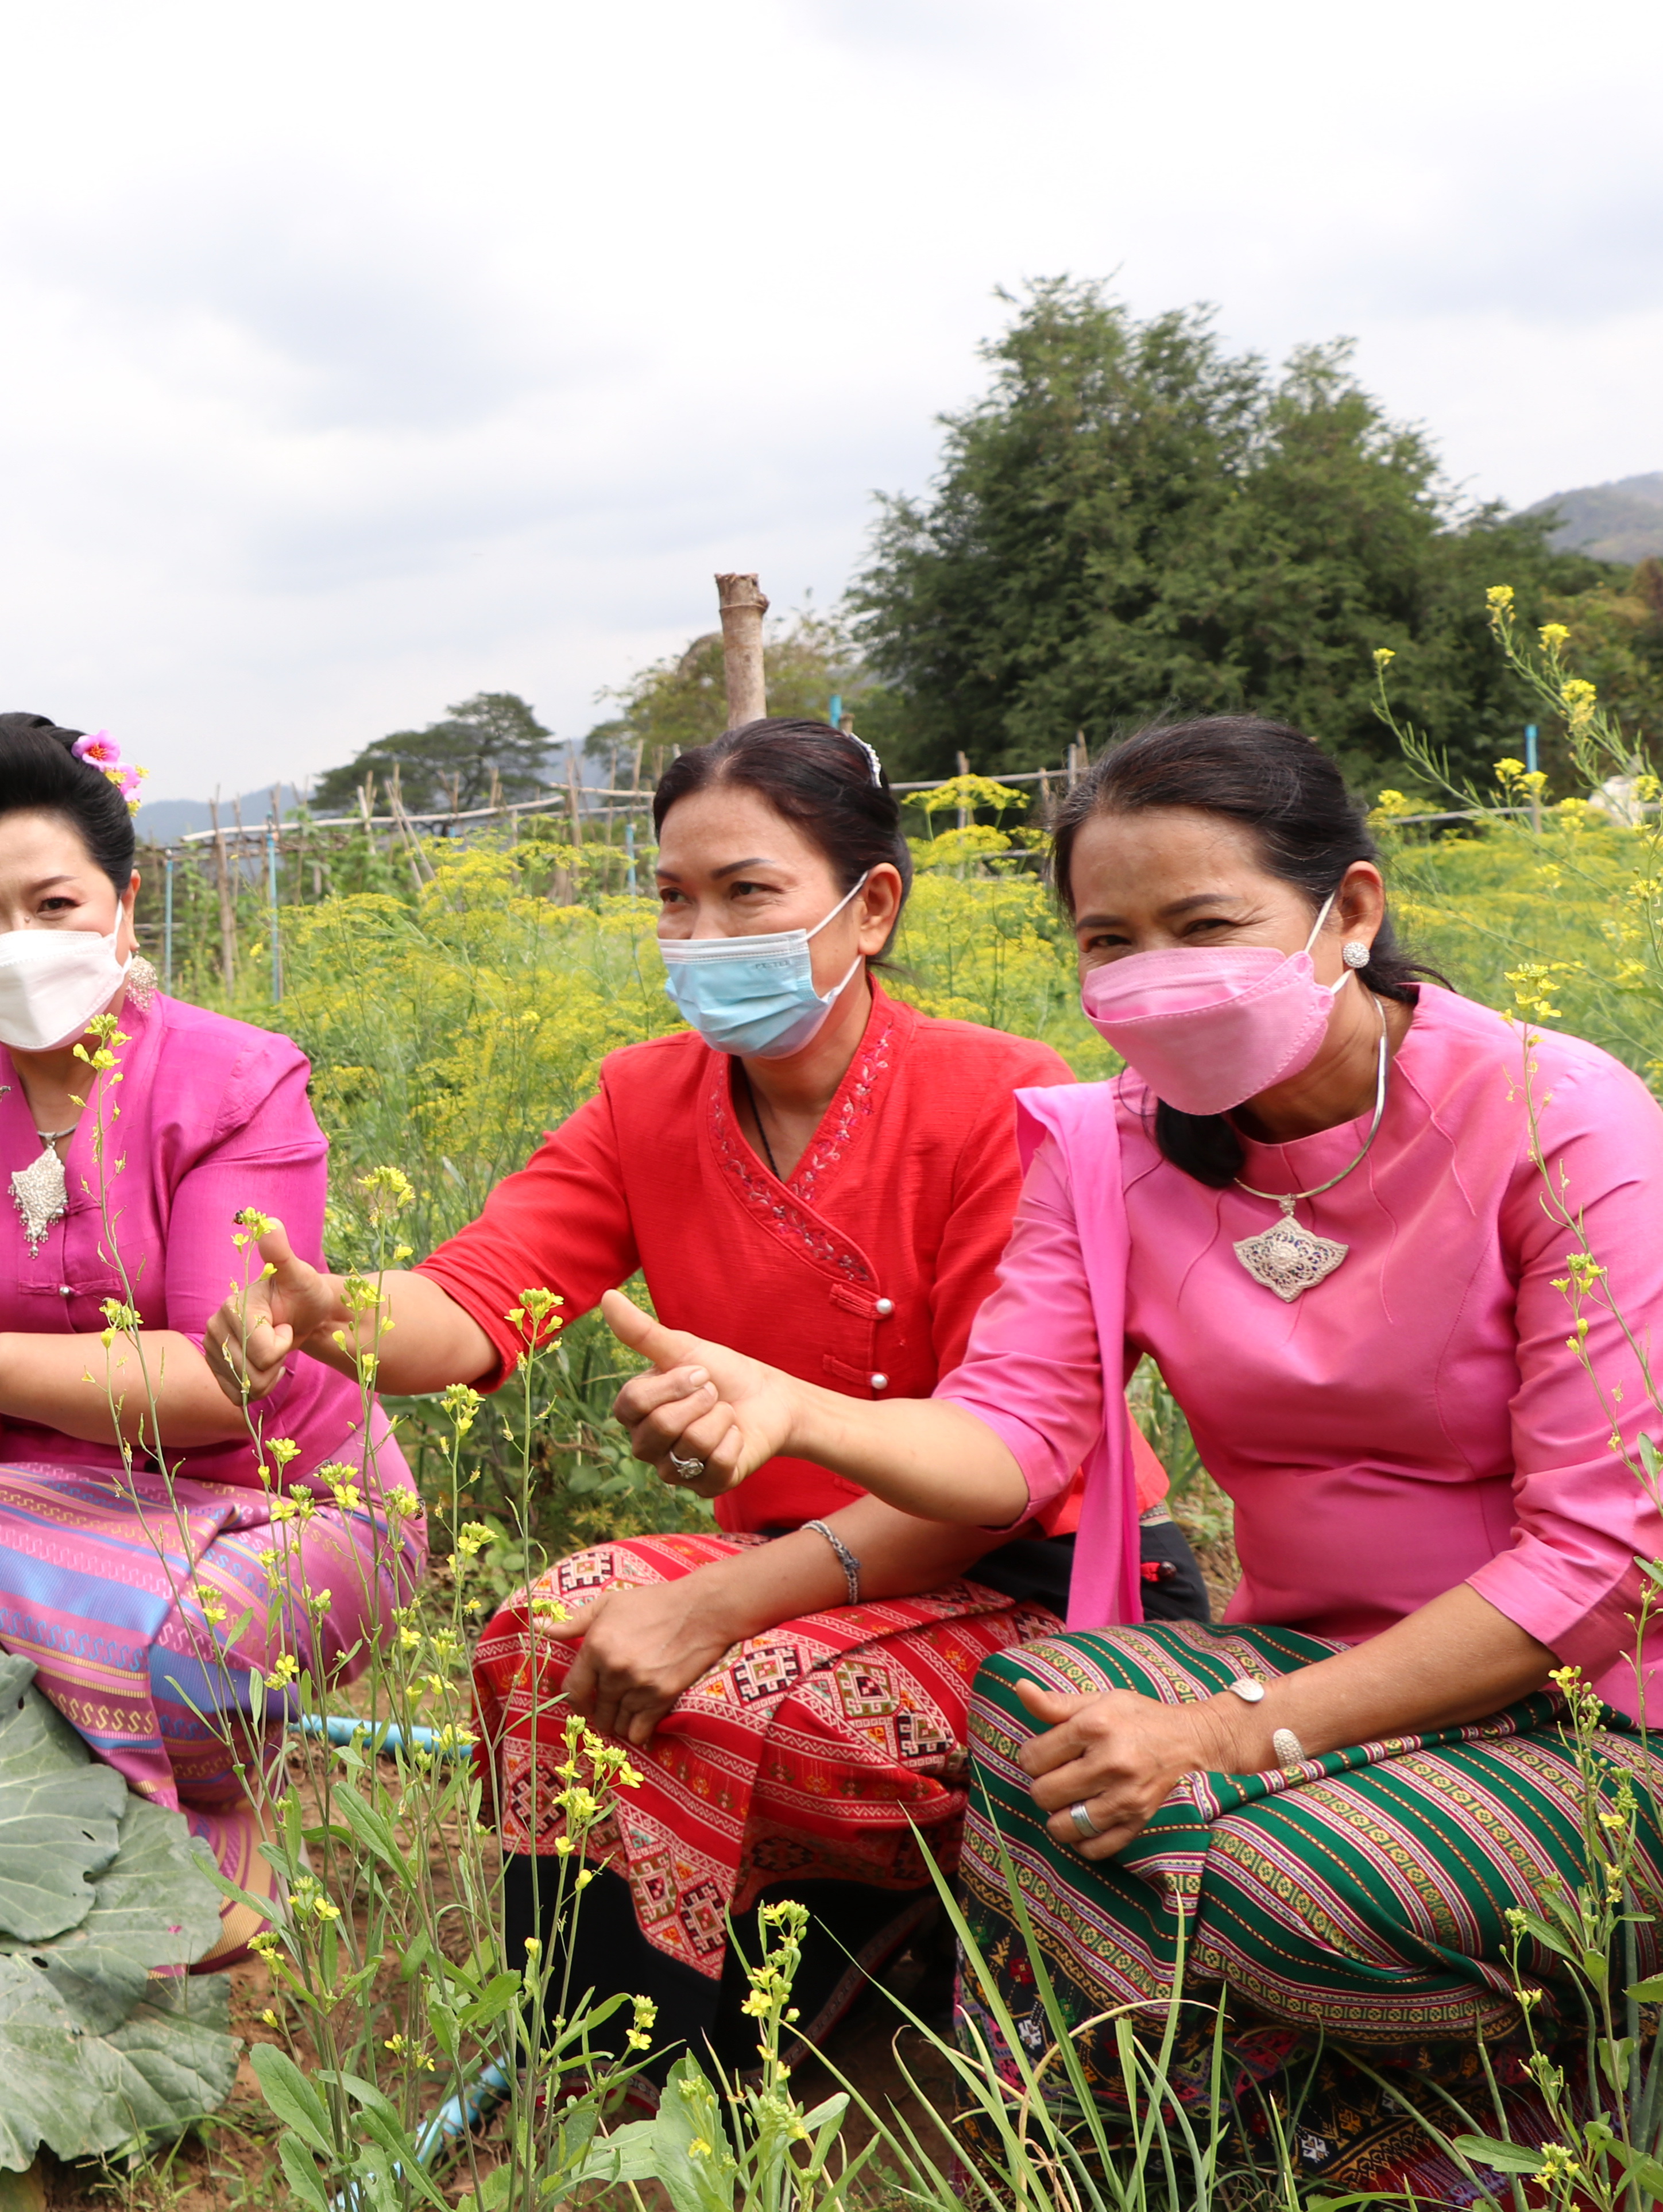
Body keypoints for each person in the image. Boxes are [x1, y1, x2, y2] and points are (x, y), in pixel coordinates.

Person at [601, 717, 1663, 2198]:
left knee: (1275, 1871)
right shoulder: (1115, 1147)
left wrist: (1245, 1732)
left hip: (1593, 1707)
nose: (1154, 972)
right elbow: (1009, 1443)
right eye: (1111, 937)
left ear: (1346, 912)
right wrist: (799, 1411)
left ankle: (1512, 2109)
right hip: (1312, 1655)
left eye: (1204, 924)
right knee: (1045, 1711)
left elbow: (1602, 1564)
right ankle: (1180, 2146)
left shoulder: (1558, 1115)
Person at [205, 717, 1200, 2063]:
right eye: (673, 897)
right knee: (541, 1634)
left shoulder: (1001, 1101)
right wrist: (336, 1312)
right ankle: (604, 2049)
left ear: (871, 907)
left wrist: (714, 1602)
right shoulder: (647, 1101)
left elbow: (1007, 1466)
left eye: (748, 892)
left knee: (738, 1697)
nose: (702, 930)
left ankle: (740, 2056)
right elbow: (487, 1290)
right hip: (805, 1561)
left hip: (1028, 1569)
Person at [0, 713, 419, 1947]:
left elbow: (215, 1384)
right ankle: (35, 1843)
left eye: (55, 902)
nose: (19, 943)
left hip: (290, 1505)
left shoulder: (236, 1082)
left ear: (127, 905)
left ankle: (206, 1826)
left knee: (187, 1646)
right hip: (59, 1514)